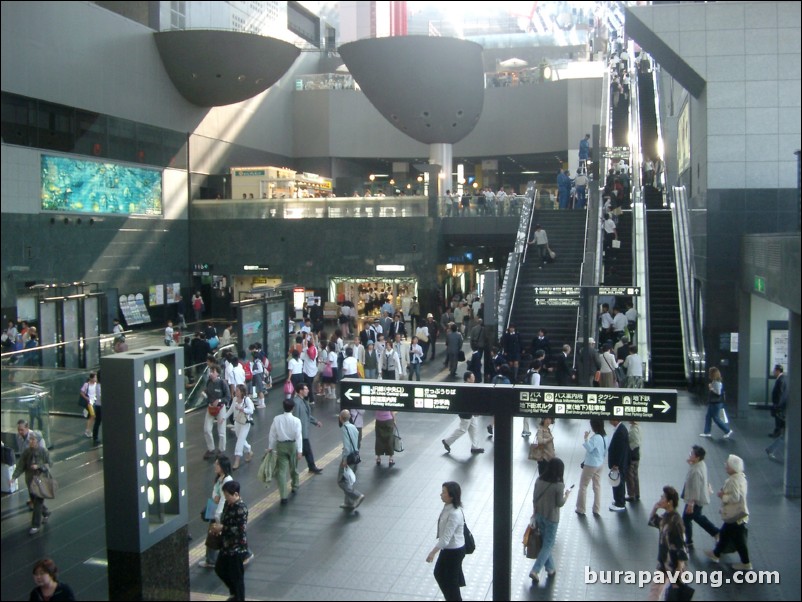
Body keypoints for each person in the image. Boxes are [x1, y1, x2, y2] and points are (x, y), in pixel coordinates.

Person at [528, 458, 572, 584]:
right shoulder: (559, 486)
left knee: (545, 543)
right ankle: (535, 570)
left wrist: (534, 513)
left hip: (539, 515)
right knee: (548, 544)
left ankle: (550, 568)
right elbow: (559, 503)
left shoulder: (539, 480)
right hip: (552, 518)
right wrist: (567, 495)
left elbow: (534, 498)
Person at [706, 454, 751, 570]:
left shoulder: (733, 481)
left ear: (733, 467)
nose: (725, 465)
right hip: (739, 514)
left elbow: (735, 497)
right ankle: (716, 553)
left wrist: (723, 496)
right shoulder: (741, 478)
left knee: (737, 539)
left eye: (728, 464)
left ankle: (746, 563)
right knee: (726, 534)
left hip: (734, 514)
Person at [426, 481, 467, 601]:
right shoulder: (448, 507)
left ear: (451, 496)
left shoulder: (454, 513)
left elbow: (446, 539)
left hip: (454, 551)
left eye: (444, 492)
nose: (441, 494)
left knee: (451, 582)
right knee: (440, 574)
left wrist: (432, 552)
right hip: (449, 549)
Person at [647, 486, 689, 601]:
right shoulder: (665, 517)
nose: (660, 498)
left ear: (669, 502)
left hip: (674, 564)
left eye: (663, 497)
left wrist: (679, 567)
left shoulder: (676, 521)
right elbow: (652, 521)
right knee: (655, 591)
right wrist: (655, 508)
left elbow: (682, 545)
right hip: (664, 562)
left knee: (676, 594)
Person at [211, 480, 249, 601]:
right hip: (226, 544)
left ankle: (238, 597)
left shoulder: (241, 508)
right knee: (220, 568)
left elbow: (240, 529)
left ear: (236, 494)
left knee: (237, 576)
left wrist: (223, 528)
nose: (227, 498)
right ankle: (234, 593)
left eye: (228, 496)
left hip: (237, 547)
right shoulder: (229, 505)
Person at [199, 455, 234, 569]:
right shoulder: (219, 479)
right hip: (216, 511)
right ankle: (211, 559)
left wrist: (218, 517)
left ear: (223, 466)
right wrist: (216, 498)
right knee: (215, 535)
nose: (215, 465)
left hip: (220, 513)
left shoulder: (227, 481)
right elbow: (215, 495)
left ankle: (211, 560)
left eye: (217, 464)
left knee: (216, 535)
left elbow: (223, 500)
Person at [12, 434, 51, 534]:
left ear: (37, 441)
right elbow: (21, 465)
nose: (31, 441)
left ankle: (35, 525)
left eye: (33, 439)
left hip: (41, 481)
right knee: (34, 501)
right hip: (30, 481)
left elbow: (49, 464)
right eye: (30, 440)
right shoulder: (26, 452)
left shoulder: (43, 451)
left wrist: (39, 466)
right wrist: (14, 477)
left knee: (37, 503)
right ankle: (46, 512)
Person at [681, 445, 719, 549]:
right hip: (700, 497)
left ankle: (688, 540)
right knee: (696, 517)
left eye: (692, 454)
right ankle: (715, 533)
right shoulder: (700, 464)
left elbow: (695, 489)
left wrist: (690, 504)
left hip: (696, 500)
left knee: (687, 519)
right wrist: (691, 462)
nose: (690, 454)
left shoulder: (696, 471)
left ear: (697, 457)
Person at [267, 398, 303, 505]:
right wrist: (300, 450)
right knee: (294, 467)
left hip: (280, 445)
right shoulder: (297, 420)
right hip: (292, 445)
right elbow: (298, 436)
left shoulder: (277, 419)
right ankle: (295, 485)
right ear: (293, 408)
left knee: (281, 471)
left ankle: (283, 496)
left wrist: (270, 447)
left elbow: (272, 435)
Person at [442, 372, 484, 455]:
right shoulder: (466, 388)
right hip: (466, 413)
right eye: (472, 377)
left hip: (468, 412)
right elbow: (468, 402)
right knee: (462, 429)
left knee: (474, 428)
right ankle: (447, 441)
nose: (474, 379)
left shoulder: (467, 387)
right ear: (468, 379)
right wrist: (474, 411)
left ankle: (475, 446)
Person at [575, 418, 606, 517]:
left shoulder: (596, 437)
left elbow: (589, 448)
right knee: (597, 486)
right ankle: (596, 509)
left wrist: (586, 438)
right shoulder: (603, 437)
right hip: (600, 464)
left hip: (591, 465)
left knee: (583, 486)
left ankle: (581, 508)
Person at [293, 383, 323, 475]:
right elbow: (296, 417)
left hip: (304, 431)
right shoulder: (297, 402)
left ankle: (311, 466)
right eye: (306, 389)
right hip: (300, 432)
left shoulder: (303, 401)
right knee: (305, 450)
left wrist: (315, 421)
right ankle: (311, 467)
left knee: (306, 450)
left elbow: (307, 415)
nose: (308, 390)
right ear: (300, 391)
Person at [338, 409, 365, 511]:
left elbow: (347, 447)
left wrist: (344, 460)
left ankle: (357, 495)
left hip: (348, 457)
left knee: (340, 480)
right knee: (348, 480)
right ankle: (348, 502)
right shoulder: (354, 427)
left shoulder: (344, 428)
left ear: (340, 418)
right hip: (356, 456)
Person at [222, 385, 254, 470]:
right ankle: (249, 450)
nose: (235, 391)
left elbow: (251, 410)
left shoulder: (246, 400)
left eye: (237, 390)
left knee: (239, 441)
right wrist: (224, 418)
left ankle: (237, 459)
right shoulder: (235, 399)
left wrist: (242, 409)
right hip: (237, 422)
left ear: (242, 392)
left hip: (245, 423)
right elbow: (231, 410)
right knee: (241, 439)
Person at [202, 366, 231, 460]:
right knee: (206, 429)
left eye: (213, 371)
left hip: (220, 408)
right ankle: (211, 449)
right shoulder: (209, 382)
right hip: (210, 407)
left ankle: (221, 450)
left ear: (217, 373)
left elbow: (228, 397)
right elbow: (207, 392)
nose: (211, 373)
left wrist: (219, 400)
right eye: (210, 371)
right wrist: (205, 395)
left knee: (221, 431)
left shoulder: (222, 383)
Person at [700, 366, 733, 439]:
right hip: (714, 402)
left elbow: (718, 393)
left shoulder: (717, 383)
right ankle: (707, 432)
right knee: (708, 416)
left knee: (716, 418)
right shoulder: (715, 382)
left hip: (716, 403)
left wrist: (711, 388)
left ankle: (727, 430)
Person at [608, 419, 630, 512]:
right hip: (621, 463)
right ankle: (618, 500)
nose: (609, 421)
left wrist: (616, 464)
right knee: (618, 482)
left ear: (615, 420)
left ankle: (620, 503)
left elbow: (620, 450)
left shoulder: (620, 432)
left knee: (618, 482)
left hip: (619, 464)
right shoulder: (621, 429)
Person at [79, 372, 101, 442]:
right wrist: (86, 398)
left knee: (93, 416)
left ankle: (88, 430)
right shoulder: (86, 384)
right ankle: (88, 430)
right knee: (92, 416)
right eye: (94, 377)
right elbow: (82, 392)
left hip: (95, 401)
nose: (95, 379)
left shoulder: (96, 385)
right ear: (91, 378)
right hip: (89, 402)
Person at [624, 420, 641, 503]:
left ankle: (631, 495)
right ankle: (637, 493)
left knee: (629, 475)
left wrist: (629, 451)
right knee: (635, 475)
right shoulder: (637, 428)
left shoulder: (634, 430)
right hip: (636, 456)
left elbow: (636, 443)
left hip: (632, 456)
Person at [768, 364, 787, 438]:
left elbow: (780, 393)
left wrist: (777, 404)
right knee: (779, 419)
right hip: (779, 403)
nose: (773, 372)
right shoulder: (781, 379)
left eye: (774, 370)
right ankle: (778, 432)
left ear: (778, 371)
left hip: (778, 404)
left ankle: (777, 433)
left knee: (778, 419)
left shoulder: (780, 380)